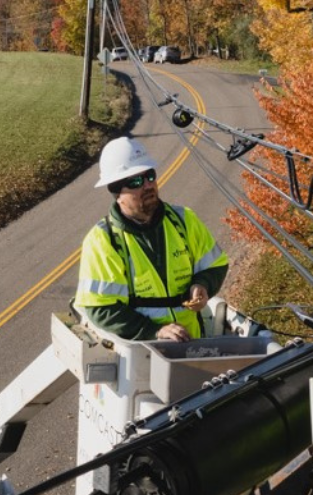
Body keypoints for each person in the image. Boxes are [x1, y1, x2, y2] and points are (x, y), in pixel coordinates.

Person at [74, 136, 228, 342]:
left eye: (150, 176)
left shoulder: (184, 220)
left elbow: (216, 264)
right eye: (136, 181)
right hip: (143, 354)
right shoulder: (103, 241)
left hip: (192, 343)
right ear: (116, 191)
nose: (147, 185)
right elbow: (100, 308)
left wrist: (202, 284)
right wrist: (154, 331)